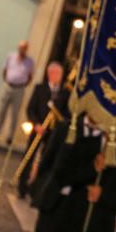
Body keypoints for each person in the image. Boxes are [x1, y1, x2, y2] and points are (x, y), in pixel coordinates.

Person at [18, 62, 68, 197]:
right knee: (29, 156)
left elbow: (65, 114)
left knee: (46, 160)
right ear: (50, 74)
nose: (59, 77)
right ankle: (22, 187)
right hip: (38, 128)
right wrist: (36, 124)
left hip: (53, 132)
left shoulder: (64, 92)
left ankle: (37, 189)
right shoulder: (40, 88)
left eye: (60, 74)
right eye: (56, 74)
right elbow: (31, 109)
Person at [0, 41, 35, 144]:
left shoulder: (29, 61)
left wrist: (23, 84)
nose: (22, 49)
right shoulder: (11, 56)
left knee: (15, 113)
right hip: (8, 86)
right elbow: (5, 70)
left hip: (19, 88)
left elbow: (30, 76)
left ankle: (10, 136)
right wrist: (7, 80)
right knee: (1, 110)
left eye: (24, 48)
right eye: (20, 47)